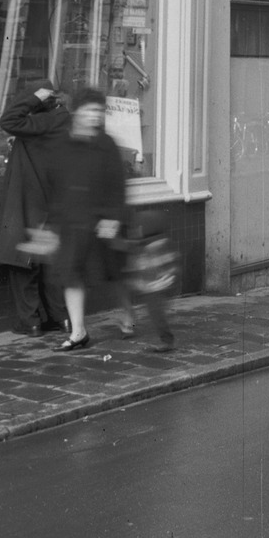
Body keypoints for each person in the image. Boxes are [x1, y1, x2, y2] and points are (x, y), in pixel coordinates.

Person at [47, 88, 131, 352]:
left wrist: (113, 218)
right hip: (72, 221)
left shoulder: (107, 145)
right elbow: (55, 182)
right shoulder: (62, 144)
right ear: (77, 112)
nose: (96, 116)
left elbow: (118, 185)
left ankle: (127, 312)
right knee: (72, 275)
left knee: (113, 274)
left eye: (99, 111)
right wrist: (51, 221)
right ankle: (78, 331)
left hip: (102, 221)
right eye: (90, 110)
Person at [0, 82, 71, 336]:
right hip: (55, 202)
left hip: (30, 202)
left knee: (24, 262)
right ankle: (61, 318)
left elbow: (8, 120)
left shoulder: (42, 123)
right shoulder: (64, 122)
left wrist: (33, 98)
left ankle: (31, 322)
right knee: (49, 263)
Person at [123, 208, 180, 351]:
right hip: (153, 287)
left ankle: (167, 341)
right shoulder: (154, 244)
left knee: (156, 313)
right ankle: (166, 339)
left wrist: (168, 278)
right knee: (155, 313)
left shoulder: (155, 245)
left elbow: (169, 265)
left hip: (158, 287)